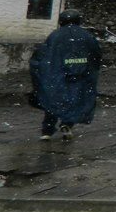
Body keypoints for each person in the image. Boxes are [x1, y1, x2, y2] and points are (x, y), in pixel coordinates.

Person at [29, 9, 102, 141]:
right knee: (75, 101)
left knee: (53, 100)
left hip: (58, 74)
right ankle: (67, 124)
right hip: (81, 75)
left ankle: (47, 130)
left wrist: (39, 69)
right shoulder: (87, 36)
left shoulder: (56, 35)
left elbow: (43, 54)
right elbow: (96, 55)